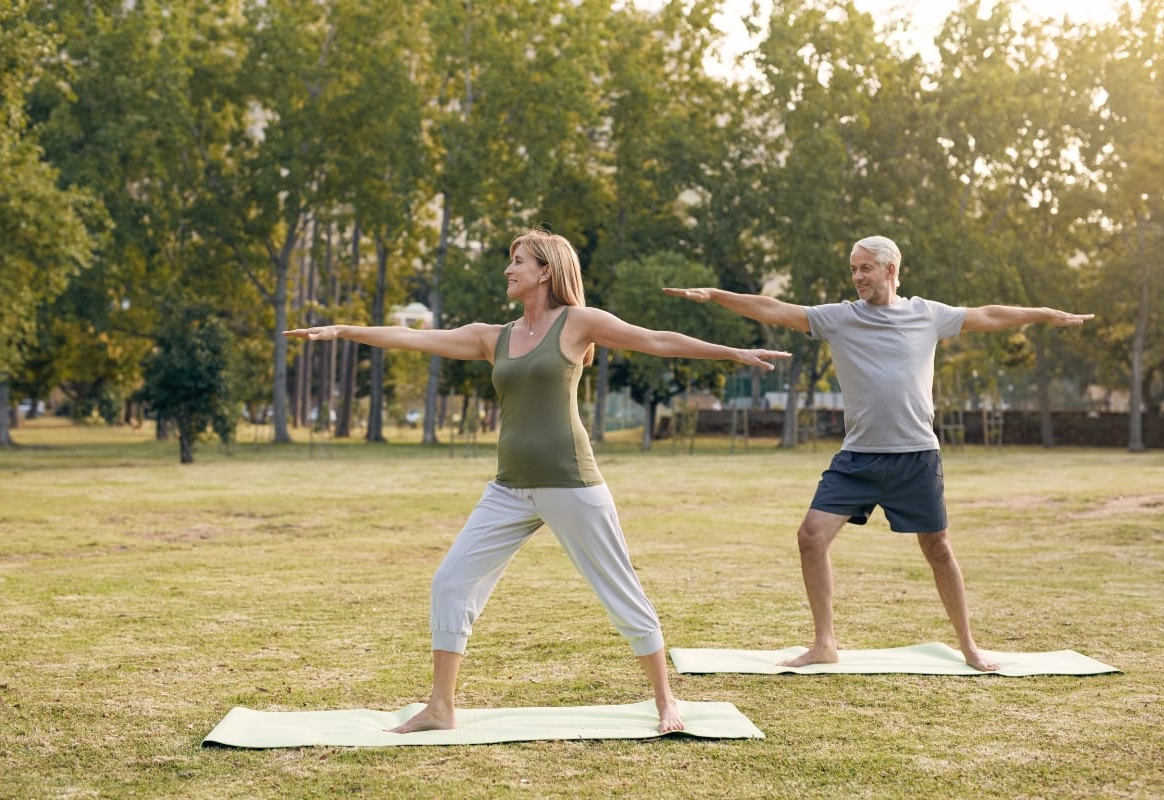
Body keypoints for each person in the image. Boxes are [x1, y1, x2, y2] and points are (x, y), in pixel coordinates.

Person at [284, 229, 790, 733]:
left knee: (620, 591)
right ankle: (440, 707)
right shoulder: (494, 336)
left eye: (518, 261)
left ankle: (665, 701)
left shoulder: (576, 323)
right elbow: (419, 338)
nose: (509, 269)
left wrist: (730, 352)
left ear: (545, 270)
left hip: (570, 482)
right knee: (451, 582)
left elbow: (654, 340)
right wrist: (345, 330)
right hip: (509, 487)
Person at [664, 235, 1093, 672]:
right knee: (810, 537)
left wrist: (1043, 314)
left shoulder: (928, 314)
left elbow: (989, 314)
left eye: (864, 268)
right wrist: (716, 295)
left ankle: (969, 647)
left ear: (890, 269)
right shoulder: (839, 318)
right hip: (859, 457)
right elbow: (773, 308)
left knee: (938, 548)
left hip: (916, 455)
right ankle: (824, 643)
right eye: (853, 269)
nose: (856, 278)